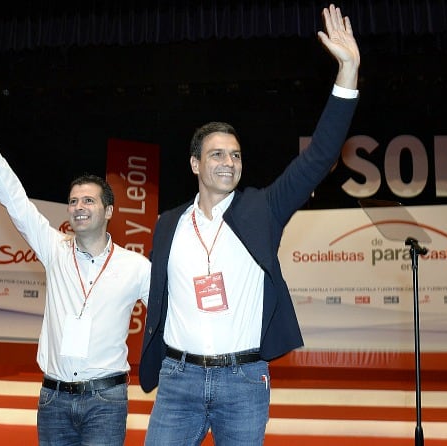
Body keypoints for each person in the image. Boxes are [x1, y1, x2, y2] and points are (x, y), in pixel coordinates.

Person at [139, 4, 360, 445]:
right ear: (194, 163)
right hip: (177, 381)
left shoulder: (263, 209)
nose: (229, 162)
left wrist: (348, 71)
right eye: (217, 154)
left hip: (243, 382)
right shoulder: (167, 225)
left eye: (236, 155)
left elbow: (318, 158)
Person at [0, 85, 151, 446]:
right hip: (53, 399)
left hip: (106, 400)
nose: (78, 206)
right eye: (73, 201)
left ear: (109, 211)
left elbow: (171, 313)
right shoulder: (54, 248)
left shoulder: (136, 267)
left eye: (89, 200)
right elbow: (13, 197)